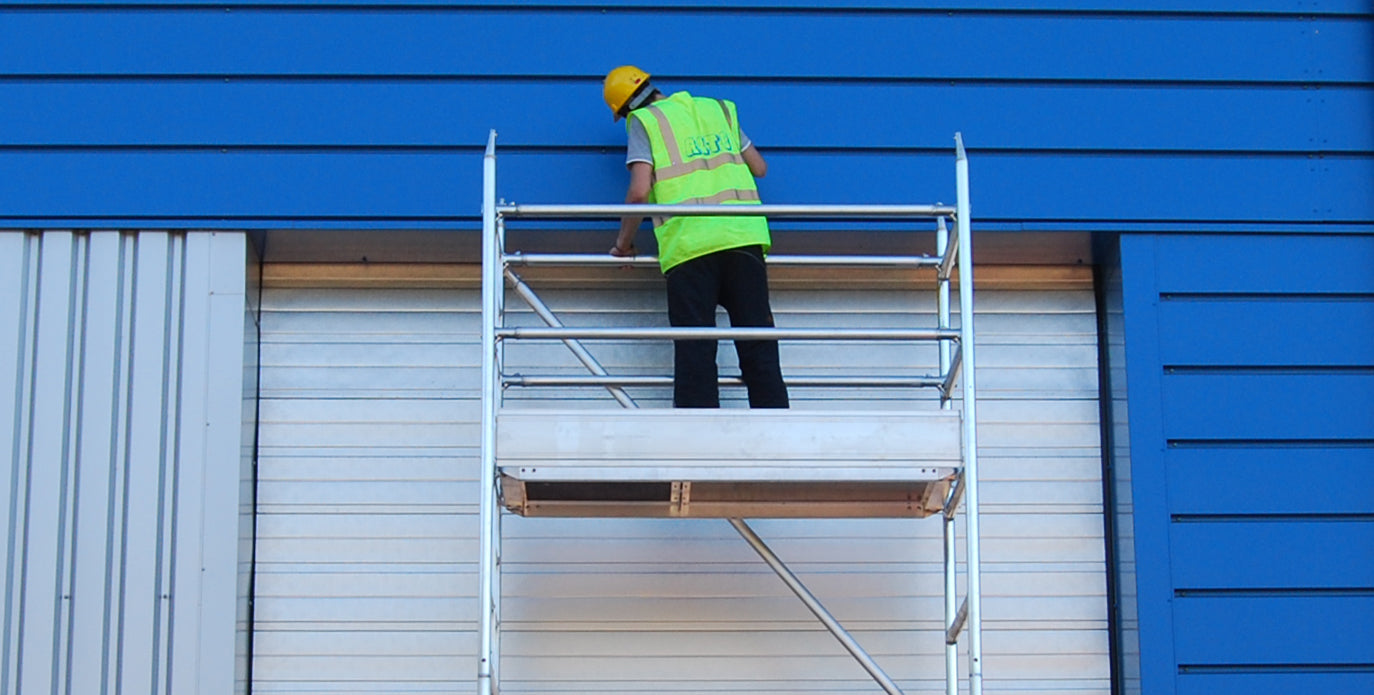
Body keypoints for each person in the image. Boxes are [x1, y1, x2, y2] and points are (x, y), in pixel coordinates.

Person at [602, 65, 788, 409]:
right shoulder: (717, 110)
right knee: (758, 343)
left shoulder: (645, 122)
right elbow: (759, 167)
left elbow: (639, 192)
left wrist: (623, 244)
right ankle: (776, 431)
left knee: (696, 350)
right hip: (742, 237)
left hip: (690, 248)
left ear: (625, 108)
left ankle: (698, 442)